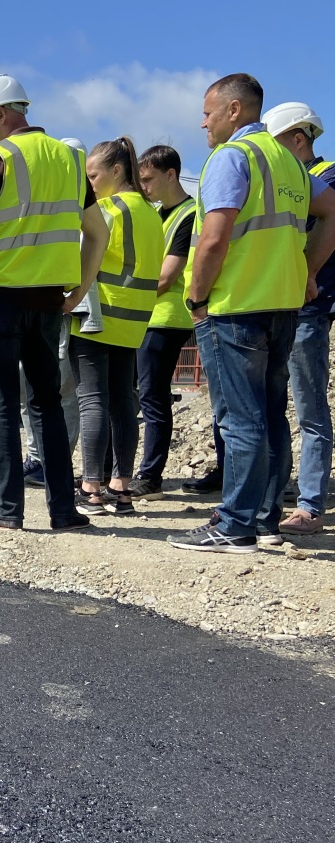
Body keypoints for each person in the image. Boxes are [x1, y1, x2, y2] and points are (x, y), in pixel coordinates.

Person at [168, 74, 335, 554]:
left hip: (235, 306)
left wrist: (197, 298)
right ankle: (264, 521)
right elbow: (332, 210)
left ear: (234, 109)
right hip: (282, 305)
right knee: (269, 416)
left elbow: (215, 237)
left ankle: (234, 525)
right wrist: (308, 268)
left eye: (208, 112)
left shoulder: (232, 158)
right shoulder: (288, 160)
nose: (203, 122)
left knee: (240, 420)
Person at [0, 74, 108, 532]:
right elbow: (99, 233)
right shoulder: (72, 160)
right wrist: (78, 290)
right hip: (49, 303)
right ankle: (64, 512)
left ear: (1, 114)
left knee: (0, 406)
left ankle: (8, 510)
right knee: (47, 405)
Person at [66, 137, 163, 516]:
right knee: (124, 402)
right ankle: (121, 490)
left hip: (96, 315)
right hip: (135, 318)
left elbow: (79, 259)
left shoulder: (106, 209)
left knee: (91, 400)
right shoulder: (152, 213)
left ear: (116, 171)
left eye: (93, 175)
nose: (89, 184)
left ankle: (91, 488)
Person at [263, 102, 335, 536]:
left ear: (298, 138)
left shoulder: (326, 178)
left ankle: (310, 505)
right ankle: (279, 494)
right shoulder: (292, 181)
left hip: (308, 306)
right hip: (278, 304)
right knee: (273, 406)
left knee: (308, 408)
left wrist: (306, 274)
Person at [132, 145, 197, 502]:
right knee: (144, 396)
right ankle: (137, 472)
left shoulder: (190, 214)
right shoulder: (158, 215)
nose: (144, 187)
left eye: (148, 179)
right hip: (146, 316)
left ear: (170, 174)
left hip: (166, 317)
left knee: (153, 398)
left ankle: (150, 477)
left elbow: (165, 278)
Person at [21, 138, 87, 488]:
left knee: (60, 393)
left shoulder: (87, 211)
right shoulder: (50, 208)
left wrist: (74, 296)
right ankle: (36, 458)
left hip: (65, 313)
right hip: (44, 309)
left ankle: (54, 461)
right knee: (31, 391)